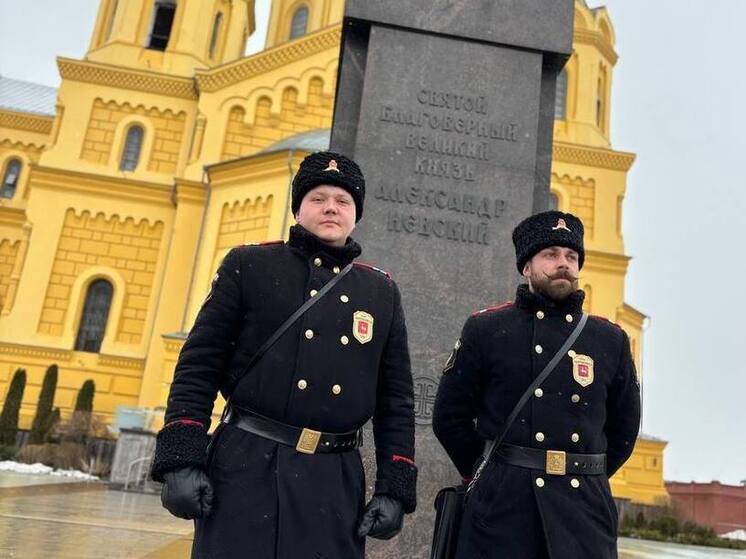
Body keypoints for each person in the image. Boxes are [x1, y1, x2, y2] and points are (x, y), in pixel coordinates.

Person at [151, 151, 417, 559]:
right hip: (245, 466)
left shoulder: (380, 292)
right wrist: (181, 459)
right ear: (297, 210)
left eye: (343, 201)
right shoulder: (249, 265)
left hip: (334, 478)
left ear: (355, 214)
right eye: (318, 198)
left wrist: (394, 488)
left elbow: (395, 400)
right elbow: (198, 366)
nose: (331, 207)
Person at [432, 210, 640, 559]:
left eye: (571, 257)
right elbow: (449, 417)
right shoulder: (487, 329)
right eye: (551, 254)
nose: (563, 263)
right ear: (526, 266)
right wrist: (496, 476)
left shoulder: (609, 339)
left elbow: (624, 430)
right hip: (503, 512)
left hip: (583, 513)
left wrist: (588, 478)